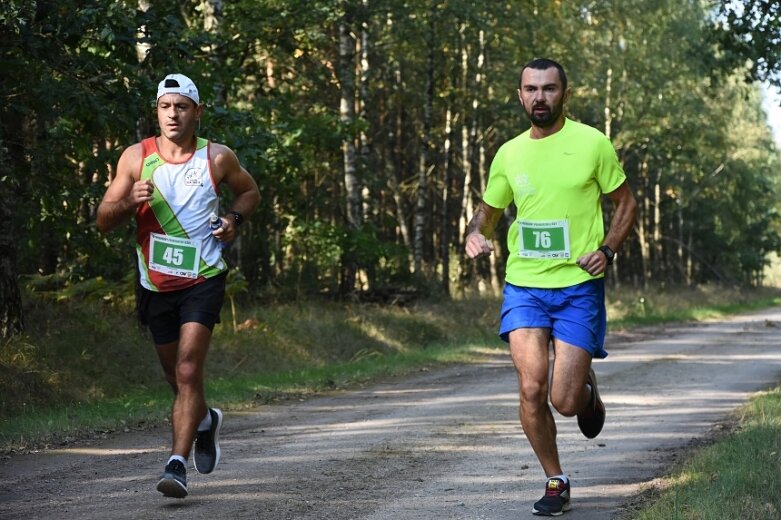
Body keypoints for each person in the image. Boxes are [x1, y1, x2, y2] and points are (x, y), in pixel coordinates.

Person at [465, 58, 637, 516]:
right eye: (531, 89)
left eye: (549, 88)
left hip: (579, 285)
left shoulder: (591, 144)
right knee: (530, 388)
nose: (539, 97)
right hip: (524, 286)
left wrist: (609, 249)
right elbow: (488, 210)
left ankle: (584, 390)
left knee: (563, 400)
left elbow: (625, 203)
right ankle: (555, 479)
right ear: (519, 95)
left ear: (565, 93)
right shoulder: (509, 153)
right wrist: (475, 232)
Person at [96, 73, 260, 499]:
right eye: (166, 107)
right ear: (157, 111)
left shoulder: (217, 157)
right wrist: (129, 201)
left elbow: (249, 192)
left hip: (203, 277)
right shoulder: (135, 158)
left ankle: (176, 464)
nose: (173, 114)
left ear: (197, 112)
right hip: (155, 282)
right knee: (174, 374)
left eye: (182, 106)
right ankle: (205, 421)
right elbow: (102, 218)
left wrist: (232, 221)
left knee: (189, 368)